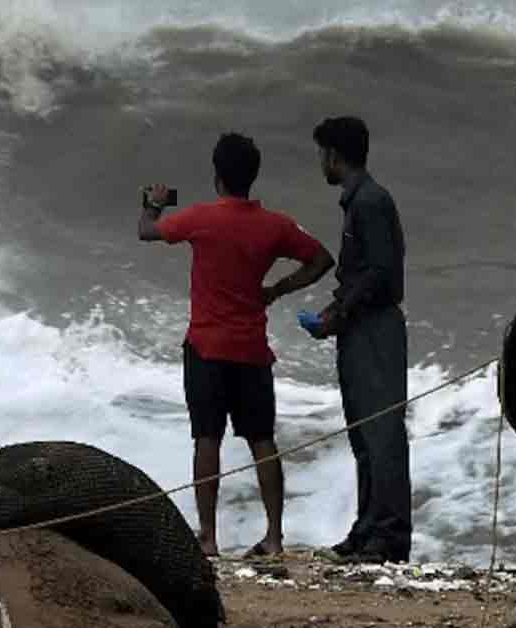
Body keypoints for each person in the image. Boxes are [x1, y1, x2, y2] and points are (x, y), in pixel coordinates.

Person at [139, 132, 335, 557]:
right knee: (262, 440)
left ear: (216, 176)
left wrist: (153, 202)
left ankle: (208, 538)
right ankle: (275, 537)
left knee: (206, 440)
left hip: (206, 348)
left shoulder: (200, 218)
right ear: (253, 176)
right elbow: (321, 260)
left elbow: (146, 232)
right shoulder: (275, 226)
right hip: (251, 351)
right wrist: (278, 289)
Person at [304, 116, 411, 564]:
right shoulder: (359, 201)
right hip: (358, 327)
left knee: (381, 433)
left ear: (333, 154)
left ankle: (388, 536)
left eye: (321, 154)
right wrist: (334, 312)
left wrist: (340, 311)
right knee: (363, 436)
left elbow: (382, 274)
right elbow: (364, 273)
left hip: (375, 329)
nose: (320, 163)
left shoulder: (369, 202)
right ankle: (367, 528)